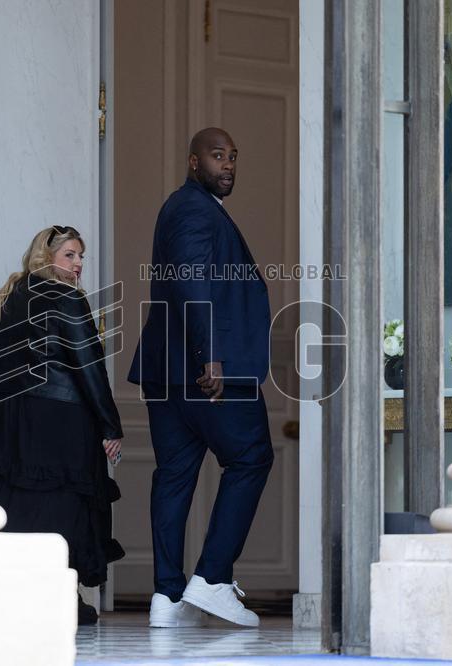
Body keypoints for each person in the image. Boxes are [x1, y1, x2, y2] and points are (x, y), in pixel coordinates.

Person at [128, 128, 273, 628]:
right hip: (204, 370)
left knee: (174, 476)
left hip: (167, 372)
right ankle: (212, 579)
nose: (228, 164)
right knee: (252, 456)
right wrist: (211, 355)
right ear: (194, 162)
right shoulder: (193, 209)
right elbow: (193, 279)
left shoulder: (185, 207)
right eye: (217, 156)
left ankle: (166, 598)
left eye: (233, 156)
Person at [0, 225, 124, 626]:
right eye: (70, 255)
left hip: (3, 421)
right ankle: (59, 597)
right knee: (62, 504)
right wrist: (110, 425)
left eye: (81, 257)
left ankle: (13, 596)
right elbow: (89, 367)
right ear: (46, 255)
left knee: (15, 503)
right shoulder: (66, 298)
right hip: (58, 417)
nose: (78, 265)